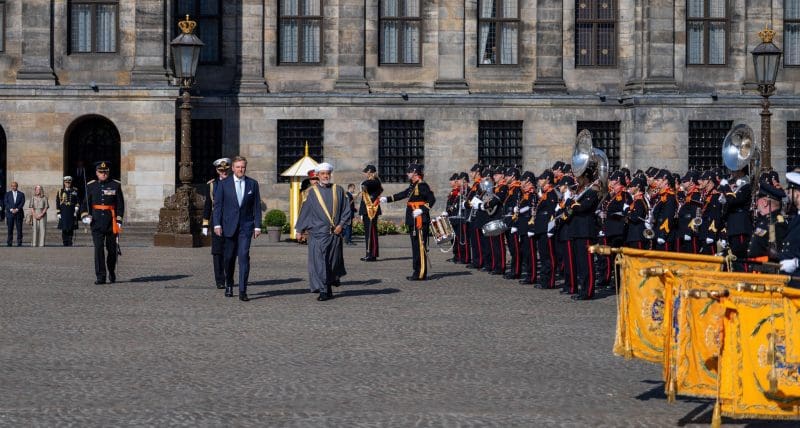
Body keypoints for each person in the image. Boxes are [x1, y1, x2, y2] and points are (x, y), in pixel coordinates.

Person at [295, 162, 352, 301]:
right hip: (317, 233)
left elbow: (346, 210)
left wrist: (341, 225)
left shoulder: (338, 190)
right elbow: (305, 212)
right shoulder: (311, 193)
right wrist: (299, 230)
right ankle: (323, 290)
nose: (325, 176)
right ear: (318, 175)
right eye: (322, 174)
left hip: (335, 233)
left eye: (327, 173)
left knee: (332, 262)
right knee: (319, 262)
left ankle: (329, 284)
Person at [212, 156, 262, 302]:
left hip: (246, 227)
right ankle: (229, 283)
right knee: (228, 258)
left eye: (243, 167)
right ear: (233, 168)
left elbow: (256, 206)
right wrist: (217, 224)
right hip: (228, 226)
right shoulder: (224, 184)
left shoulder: (252, 184)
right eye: (238, 167)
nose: (241, 169)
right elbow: (218, 206)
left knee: (244, 256)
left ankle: (242, 290)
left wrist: (257, 225)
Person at [380, 164, 436, 281]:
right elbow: (402, 194)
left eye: (409, 172)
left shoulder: (422, 185)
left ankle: (420, 273)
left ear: (415, 173)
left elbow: (432, 199)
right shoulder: (413, 185)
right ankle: (416, 270)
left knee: (420, 246)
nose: (407, 174)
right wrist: (387, 199)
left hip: (420, 219)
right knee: (415, 246)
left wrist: (422, 210)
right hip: (413, 220)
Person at [80, 161, 125, 284]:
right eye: (101, 172)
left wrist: (119, 219)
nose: (103, 174)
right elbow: (85, 204)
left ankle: (111, 270)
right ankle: (101, 276)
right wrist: (85, 216)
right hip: (96, 221)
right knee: (98, 249)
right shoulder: (91, 186)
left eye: (105, 172)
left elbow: (120, 204)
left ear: (108, 172)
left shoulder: (115, 185)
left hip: (111, 222)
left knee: (112, 250)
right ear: (96, 173)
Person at [202, 158, 231, 289]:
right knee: (217, 251)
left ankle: (228, 275)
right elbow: (208, 206)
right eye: (221, 170)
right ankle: (219, 279)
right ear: (217, 171)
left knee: (230, 251)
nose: (224, 172)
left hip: (231, 220)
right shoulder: (212, 185)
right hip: (216, 220)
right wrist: (205, 224)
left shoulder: (234, 183)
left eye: (226, 170)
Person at [359, 165, 383, 260]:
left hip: (372, 210)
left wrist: (372, 177)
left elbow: (365, 184)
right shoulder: (372, 181)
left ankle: (372, 254)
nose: (365, 174)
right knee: (368, 233)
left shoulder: (375, 182)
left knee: (371, 232)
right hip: (366, 210)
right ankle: (369, 253)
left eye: (366, 172)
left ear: (370, 172)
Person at [56, 176, 80, 246]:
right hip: (63, 211)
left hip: (71, 211)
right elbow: (57, 202)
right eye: (66, 182)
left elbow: (78, 201)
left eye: (69, 182)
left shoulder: (75, 191)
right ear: (64, 183)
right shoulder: (60, 191)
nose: (68, 184)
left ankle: (70, 241)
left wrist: (76, 208)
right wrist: (58, 212)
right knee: (64, 227)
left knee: (71, 227)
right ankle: (65, 241)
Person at [4, 181, 25, 246]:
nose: (14, 187)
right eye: (12, 186)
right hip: (10, 214)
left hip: (19, 213)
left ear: (17, 186)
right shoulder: (7, 194)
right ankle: (9, 242)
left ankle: (19, 242)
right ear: (11, 187)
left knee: (19, 229)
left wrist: (17, 209)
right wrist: (11, 209)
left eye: (15, 186)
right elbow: (6, 202)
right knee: (10, 228)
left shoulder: (21, 194)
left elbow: (22, 202)